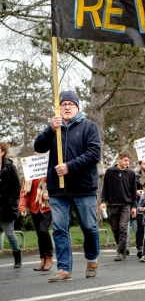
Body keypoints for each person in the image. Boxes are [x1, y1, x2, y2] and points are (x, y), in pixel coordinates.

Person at [34, 90, 102, 282]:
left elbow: (94, 154)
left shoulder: (89, 126)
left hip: (84, 188)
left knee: (89, 227)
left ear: (77, 107)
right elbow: (38, 147)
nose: (66, 107)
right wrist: (49, 129)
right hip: (58, 190)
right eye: (63, 104)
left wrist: (69, 167)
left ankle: (91, 259)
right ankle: (64, 269)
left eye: (71, 104)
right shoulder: (53, 129)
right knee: (60, 229)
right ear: (59, 108)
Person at [101, 151, 137, 261]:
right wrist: (103, 202)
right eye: (125, 160)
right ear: (119, 160)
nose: (127, 163)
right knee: (115, 228)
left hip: (126, 204)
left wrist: (134, 206)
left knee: (123, 227)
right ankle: (121, 246)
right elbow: (105, 188)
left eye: (128, 161)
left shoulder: (131, 173)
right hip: (113, 204)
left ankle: (121, 252)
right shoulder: (110, 172)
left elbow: (133, 190)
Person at [19, 175, 53, 271]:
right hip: (35, 208)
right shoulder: (30, 173)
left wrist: (50, 194)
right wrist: (22, 207)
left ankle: (49, 257)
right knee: (39, 234)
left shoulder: (49, 170)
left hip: (48, 208)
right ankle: (43, 259)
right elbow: (24, 192)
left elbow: (57, 186)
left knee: (43, 230)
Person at [0, 142, 21, 268]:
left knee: (9, 233)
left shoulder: (9, 168)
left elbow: (16, 187)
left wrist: (10, 202)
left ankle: (17, 256)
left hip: (6, 206)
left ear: (2, 152)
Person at [132, 158, 145, 257]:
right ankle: (140, 247)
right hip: (140, 203)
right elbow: (131, 188)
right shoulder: (135, 176)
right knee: (140, 225)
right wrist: (136, 192)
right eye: (144, 163)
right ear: (140, 165)